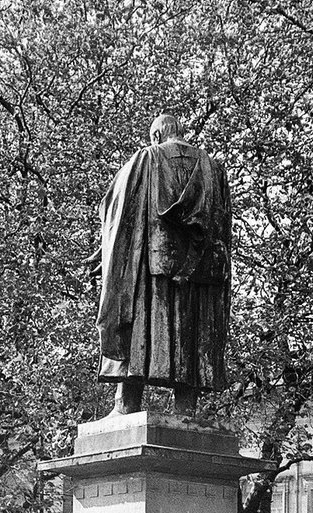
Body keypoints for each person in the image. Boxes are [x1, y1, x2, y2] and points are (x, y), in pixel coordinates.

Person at [93, 112, 231, 416]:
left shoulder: (146, 159)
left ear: (156, 136)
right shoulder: (213, 168)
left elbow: (118, 211)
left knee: (138, 328)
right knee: (192, 333)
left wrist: (107, 254)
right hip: (199, 272)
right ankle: (186, 408)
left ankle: (126, 403)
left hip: (153, 265)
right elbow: (221, 227)